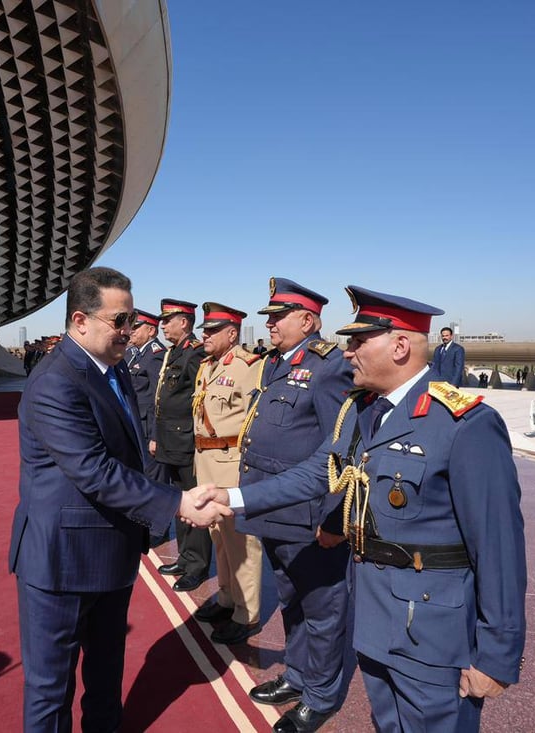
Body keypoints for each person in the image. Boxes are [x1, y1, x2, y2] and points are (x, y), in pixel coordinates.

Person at [197, 285, 527, 733]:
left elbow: (499, 546)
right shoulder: (363, 411)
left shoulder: (464, 424)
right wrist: (233, 498)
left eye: (357, 342)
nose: (347, 353)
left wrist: (497, 655)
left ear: (400, 346)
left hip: (432, 633)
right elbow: (318, 472)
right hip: (374, 620)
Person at [8, 266, 228, 733]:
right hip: (61, 562)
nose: (129, 331)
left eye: (130, 321)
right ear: (80, 320)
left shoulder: (114, 368)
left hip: (113, 551)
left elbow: (130, 451)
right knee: (51, 691)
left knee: (106, 678)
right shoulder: (55, 380)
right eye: (120, 321)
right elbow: (93, 469)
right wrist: (177, 503)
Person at [233, 277, 356, 733]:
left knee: (323, 607)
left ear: (308, 320)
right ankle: (299, 675)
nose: (270, 324)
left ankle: (321, 695)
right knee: (291, 599)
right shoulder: (275, 364)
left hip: (309, 515)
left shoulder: (328, 368)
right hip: (275, 511)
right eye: (268, 316)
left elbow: (342, 449)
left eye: (277, 317)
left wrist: (334, 517)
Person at [190, 302, 264, 645]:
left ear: (231, 333)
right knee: (219, 537)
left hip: (230, 462)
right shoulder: (207, 366)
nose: (204, 335)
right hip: (205, 462)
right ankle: (225, 598)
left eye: (211, 330)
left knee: (240, 542)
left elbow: (255, 420)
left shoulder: (250, 366)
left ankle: (246, 615)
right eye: (204, 330)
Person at [151, 298, 212, 592]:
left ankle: (197, 566)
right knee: (179, 503)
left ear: (184, 322)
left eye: (168, 320)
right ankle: (185, 558)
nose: (162, 325)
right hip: (171, 441)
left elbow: (202, 401)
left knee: (195, 504)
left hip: (187, 442)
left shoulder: (194, 354)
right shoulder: (174, 353)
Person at [125, 309, 169, 545]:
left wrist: (155, 435)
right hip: (136, 426)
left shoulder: (154, 356)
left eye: (136, 327)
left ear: (150, 330)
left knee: (156, 481)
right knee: (142, 478)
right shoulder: (134, 355)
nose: (131, 331)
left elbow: (156, 400)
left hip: (148, 429)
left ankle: (157, 530)